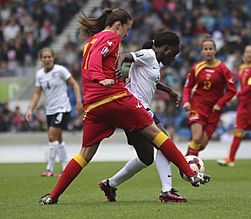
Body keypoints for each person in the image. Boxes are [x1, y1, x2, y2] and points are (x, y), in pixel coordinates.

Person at [39, 8, 209, 205]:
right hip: (115, 98)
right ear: (118, 24)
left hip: (94, 105)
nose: (127, 33)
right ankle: (189, 174)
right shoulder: (111, 38)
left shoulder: (91, 41)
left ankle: (53, 195)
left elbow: (90, 62)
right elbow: (95, 61)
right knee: (157, 134)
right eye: (127, 28)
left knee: (85, 154)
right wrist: (101, 78)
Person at [99, 31, 191, 203]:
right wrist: (118, 68)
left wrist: (169, 91)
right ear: (167, 48)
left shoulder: (154, 62)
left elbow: (152, 82)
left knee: (146, 157)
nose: (174, 58)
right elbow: (125, 56)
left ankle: (110, 184)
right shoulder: (148, 54)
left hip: (137, 109)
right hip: (136, 107)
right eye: (174, 53)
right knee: (164, 142)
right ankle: (167, 190)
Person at [26, 47, 82, 177]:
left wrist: (79, 101)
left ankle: (49, 168)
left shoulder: (61, 71)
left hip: (62, 108)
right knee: (58, 138)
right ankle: (65, 169)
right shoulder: (39, 74)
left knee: (52, 136)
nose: (47, 59)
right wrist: (30, 109)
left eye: (49, 57)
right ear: (41, 59)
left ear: (53, 57)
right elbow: (37, 94)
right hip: (50, 110)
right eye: (44, 57)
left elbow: (74, 84)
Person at [183, 36, 237, 157]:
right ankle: (189, 169)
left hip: (214, 110)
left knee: (201, 145)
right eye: (205, 49)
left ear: (215, 51)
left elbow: (232, 90)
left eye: (210, 49)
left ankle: (187, 161)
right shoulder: (196, 68)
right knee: (196, 138)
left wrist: (220, 103)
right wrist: (186, 101)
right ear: (202, 51)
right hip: (198, 106)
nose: (208, 51)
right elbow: (187, 87)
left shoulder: (223, 69)